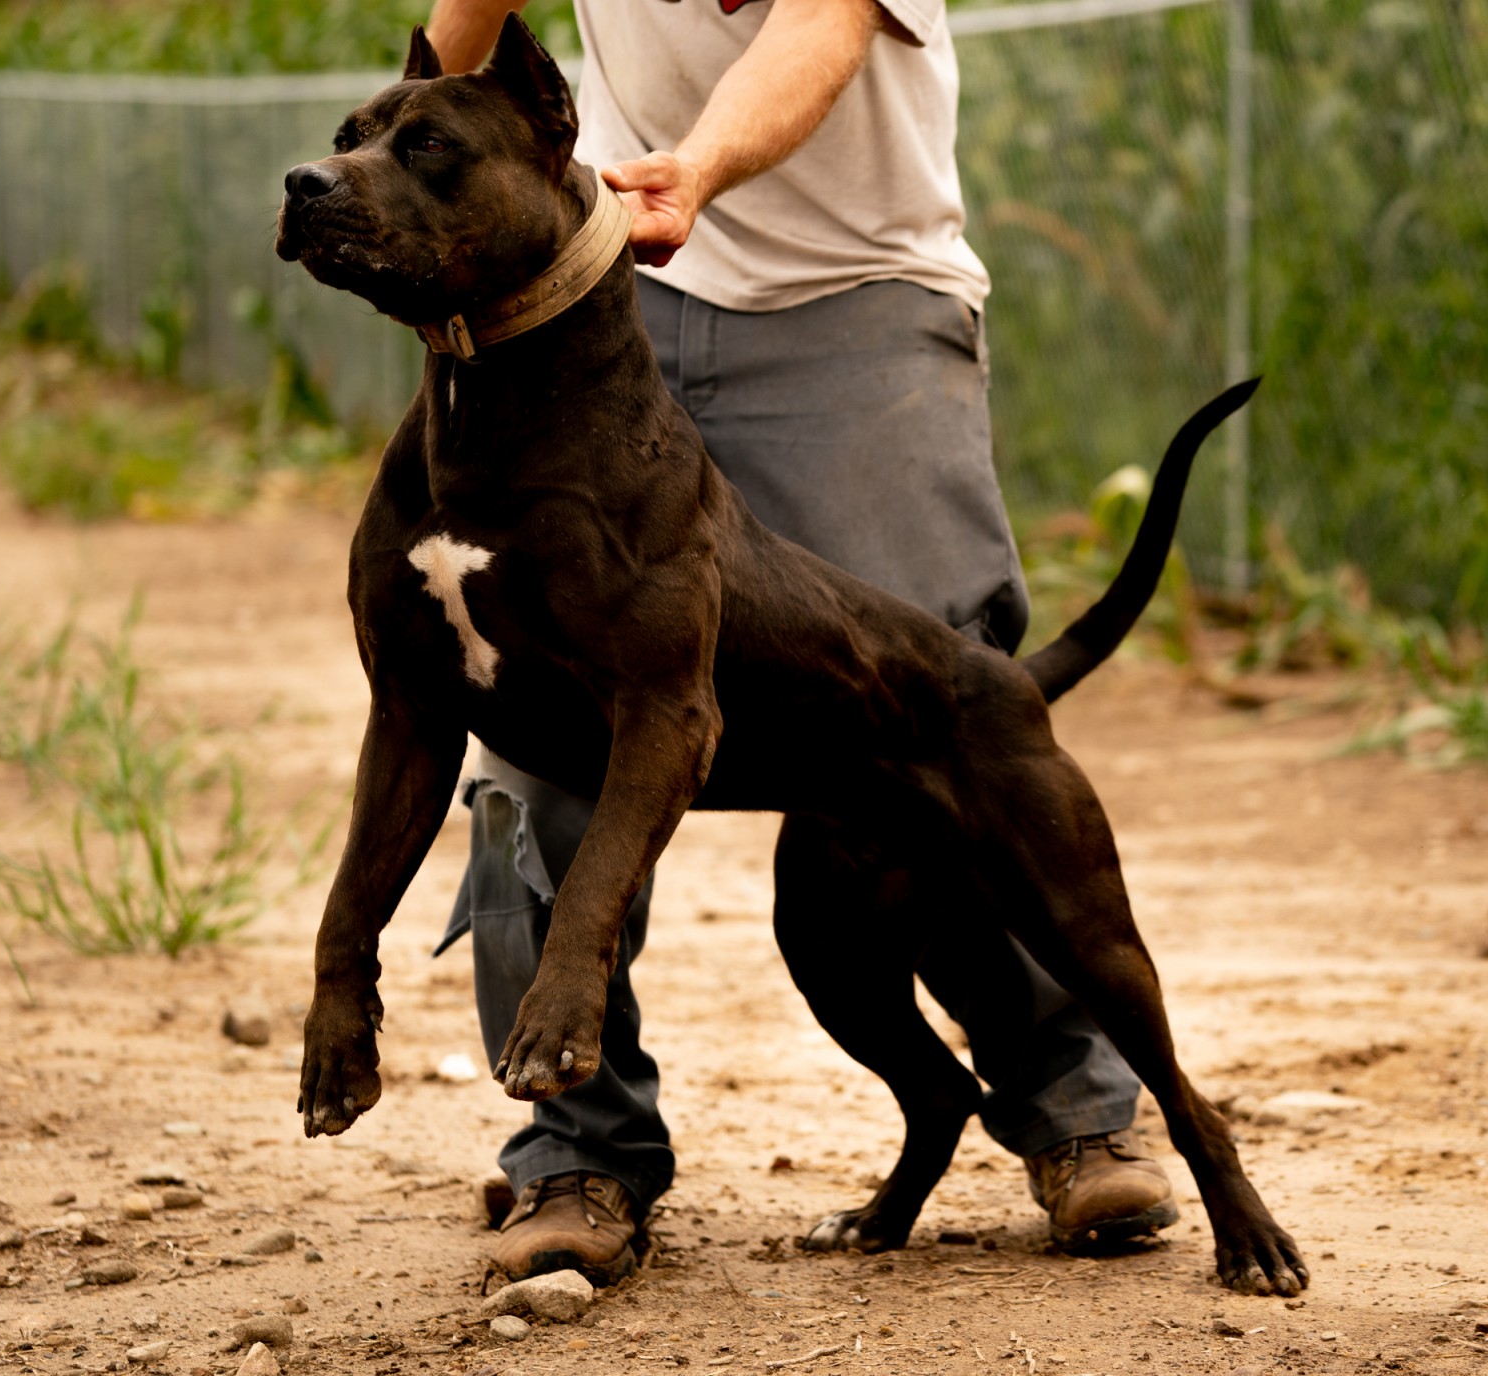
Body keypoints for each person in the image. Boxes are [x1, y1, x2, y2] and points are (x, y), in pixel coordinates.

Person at [423, 0, 1178, 1285]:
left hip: (860, 298)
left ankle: (1073, 1106)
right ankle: (578, 1148)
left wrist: (699, 168)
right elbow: (454, 43)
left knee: (946, 705)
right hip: (605, 278)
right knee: (528, 717)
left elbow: (825, 26)